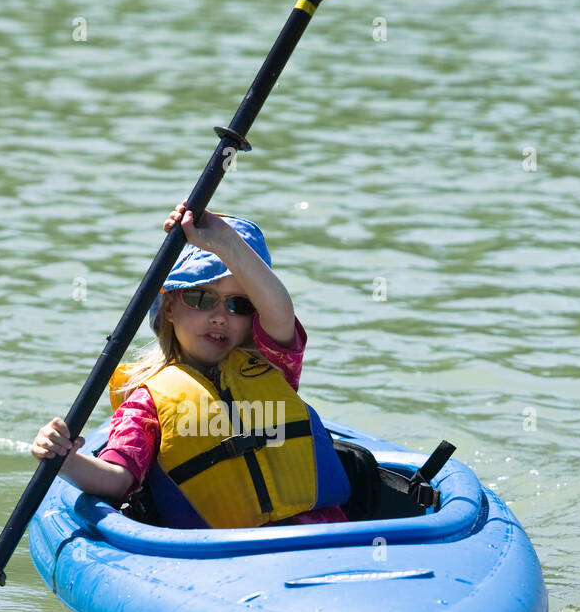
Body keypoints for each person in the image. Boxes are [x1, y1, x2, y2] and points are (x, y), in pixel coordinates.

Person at [31, 201, 350, 528]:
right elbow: (118, 479)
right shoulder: (146, 403)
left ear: (253, 316)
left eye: (238, 305)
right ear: (168, 307)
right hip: (220, 555)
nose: (219, 316)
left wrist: (224, 242)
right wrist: (65, 460)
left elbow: (280, 310)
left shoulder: (271, 361)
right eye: (201, 298)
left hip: (319, 538)